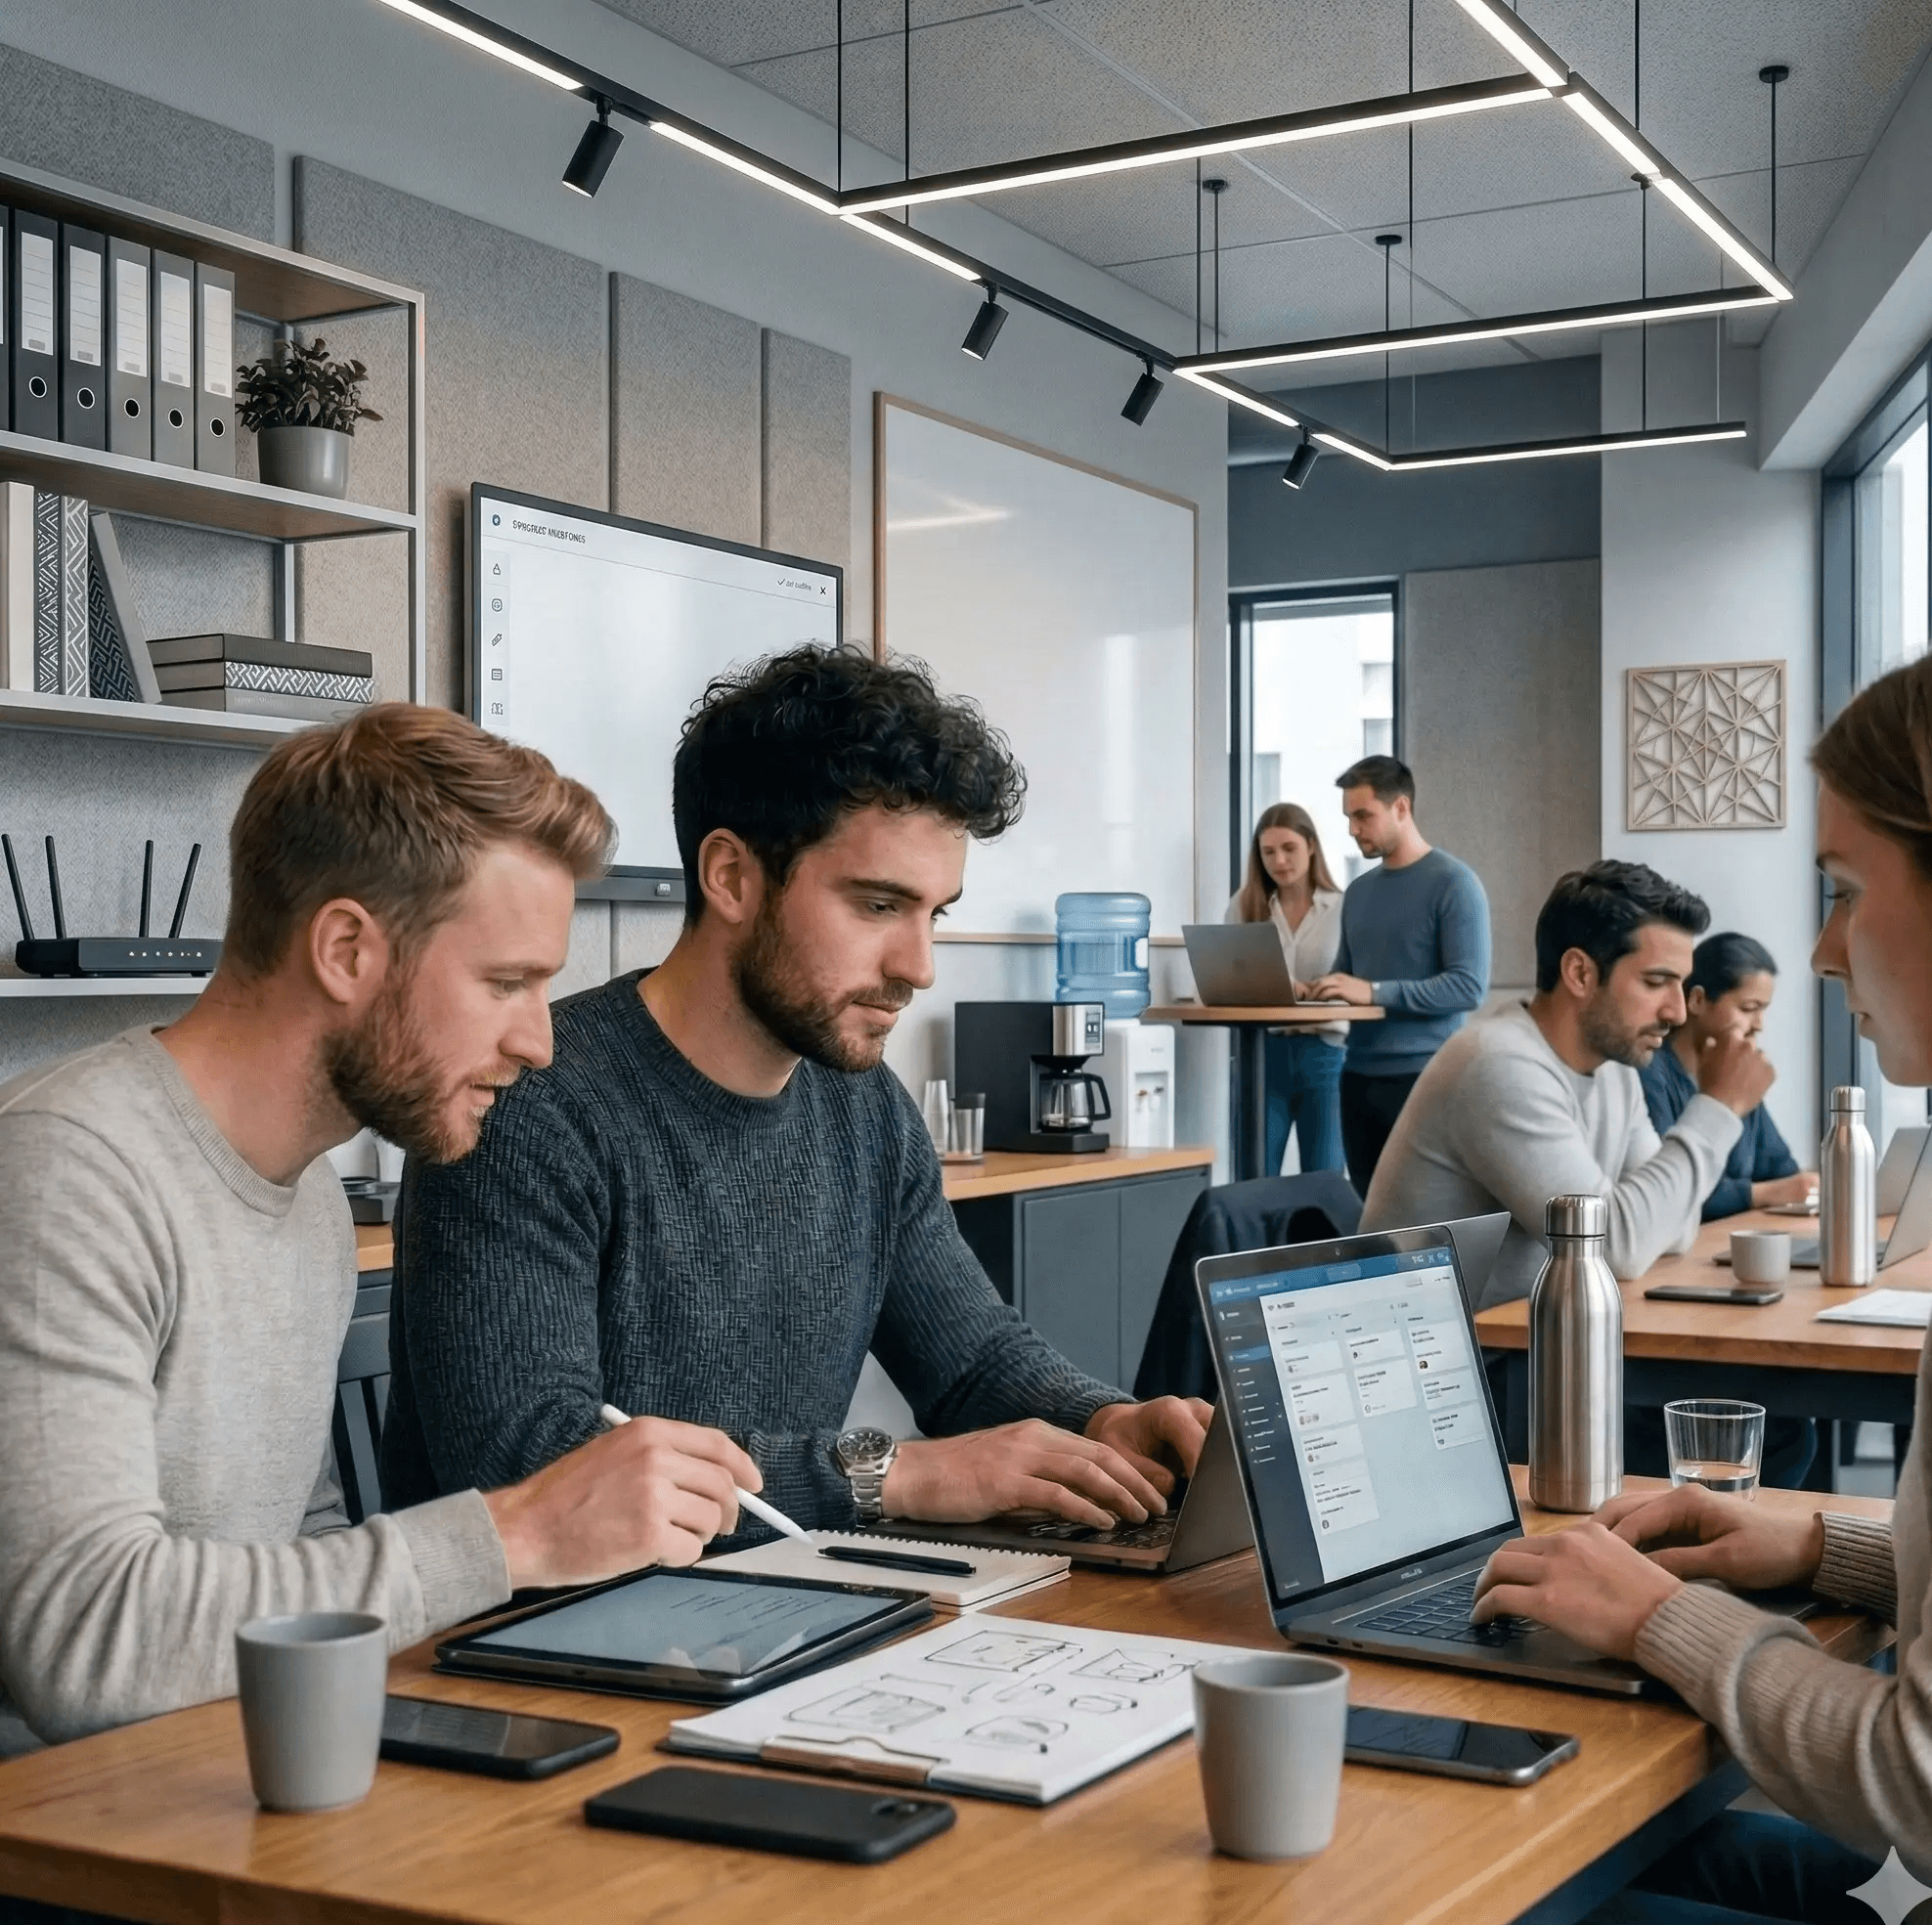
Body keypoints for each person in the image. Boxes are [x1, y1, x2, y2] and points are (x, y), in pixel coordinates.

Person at [0, 706, 776, 1762]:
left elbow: (301, 1556)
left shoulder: (312, 1198)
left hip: (220, 1789)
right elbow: (85, 1641)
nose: (539, 1041)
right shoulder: (65, 1171)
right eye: (506, 982)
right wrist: (523, 1533)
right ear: (347, 947)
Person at [381, 645, 1209, 1539]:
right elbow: (533, 1466)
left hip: (779, 1618)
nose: (918, 967)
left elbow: (972, 1358)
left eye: (936, 913)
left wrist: (1104, 1421)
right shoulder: (531, 1104)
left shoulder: (865, 1108)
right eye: (878, 905)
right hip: (545, 1650)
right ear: (732, 876)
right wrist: (889, 1474)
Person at [1471, 654, 1932, 1921]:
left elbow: (1919, 1780)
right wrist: (1832, 1545)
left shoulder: (1619, 1075)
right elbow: (1638, 1232)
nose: (1829, 950)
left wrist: (1664, 1617)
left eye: (1844, 893)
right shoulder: (1511, 1066)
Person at [1362, 859, 1774, 1311]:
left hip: (1523, 1341)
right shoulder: (1500, 1065)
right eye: (1657, 982)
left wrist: (1646, 1220)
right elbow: (1615, 1248)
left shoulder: (1616, 1070)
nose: (1677, 1013)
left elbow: (1674, 1226)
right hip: (1444, 1363)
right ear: (1579, 973)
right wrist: (1717, 1106)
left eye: (1681, 985)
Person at [1308, 755, 1490, 1193]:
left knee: (1424, 1215)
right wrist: (1314, 989)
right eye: (1349, 817)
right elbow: (1346, 977)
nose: (1353, 829)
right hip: (1355, 1076)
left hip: (1425, 1078)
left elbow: (1468, 986)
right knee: (1369, 1215)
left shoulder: (1454, 883)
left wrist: (1372, 992)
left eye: (1363, 816)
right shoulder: (1357, 892)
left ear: (1402, 808)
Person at [1639, 932, 1812, 1220]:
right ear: (1697, 1000)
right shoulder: (1650, 1076)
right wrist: (1762, 1194)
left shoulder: (1736, 1075)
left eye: (1763, 1010)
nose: (1759, 1025)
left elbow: (1783, 1170)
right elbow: (1667, 1193)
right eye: (1748, 1009)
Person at [1224, 802, 1345, 1175]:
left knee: (1324, 1180)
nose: (1279, 861)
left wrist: (1325, 987)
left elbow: (1359, 979)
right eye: (1268, 852)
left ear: (1311, 846)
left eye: (1289, 848)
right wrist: (1275, 986)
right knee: (1253, 1177)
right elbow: (1227, 981)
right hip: (1263, 1054)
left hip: (1325, 1054)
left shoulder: (1344, 907)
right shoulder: (1244, 907)